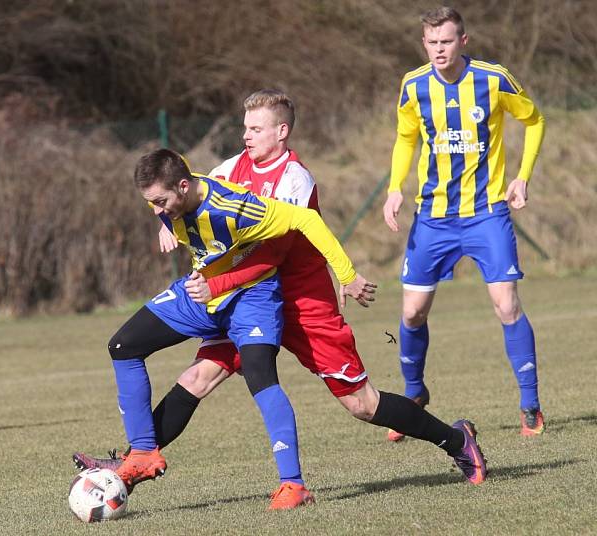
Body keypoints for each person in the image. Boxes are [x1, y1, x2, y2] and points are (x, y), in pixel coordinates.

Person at [74, 90, 487, 494]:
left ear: (282, 131)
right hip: (248, 301)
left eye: (256, 128)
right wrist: (166, 225)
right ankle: (133, 461)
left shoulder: (294, 178)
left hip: (302, 301)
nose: (246, 136)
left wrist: (343, 275)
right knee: (197, 378)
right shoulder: (232, 167)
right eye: (245, 127)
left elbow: (272, 253)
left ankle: (455, 439)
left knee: (362, 403)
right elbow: (183, 194)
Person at [104, 147, 375, 510]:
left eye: (160, 202)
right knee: (123, 346)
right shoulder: (176, 193)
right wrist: (164, 221)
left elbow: (306, 221)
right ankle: (141, 452)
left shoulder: (237, 207)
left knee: (261, 377)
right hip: (204, 295)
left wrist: (347, 275)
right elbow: (174, 170)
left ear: (183, 188)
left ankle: (293, 486)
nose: (155, 209)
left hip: (253, 299)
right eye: (150, 202)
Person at [381, 7, 546, 440]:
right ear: (424, 44)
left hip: (486, 211)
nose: (439, 49)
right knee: (412, 313)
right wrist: (396, 186)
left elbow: (534, 120)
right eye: (432, 42)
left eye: (447, 41)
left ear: (463, 41)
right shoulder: (413, 85)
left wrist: (522, 177)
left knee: (507, 305)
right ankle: (414, 395)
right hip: (432, 217)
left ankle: (530, 404)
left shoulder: (494, 79)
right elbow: (405, 137)